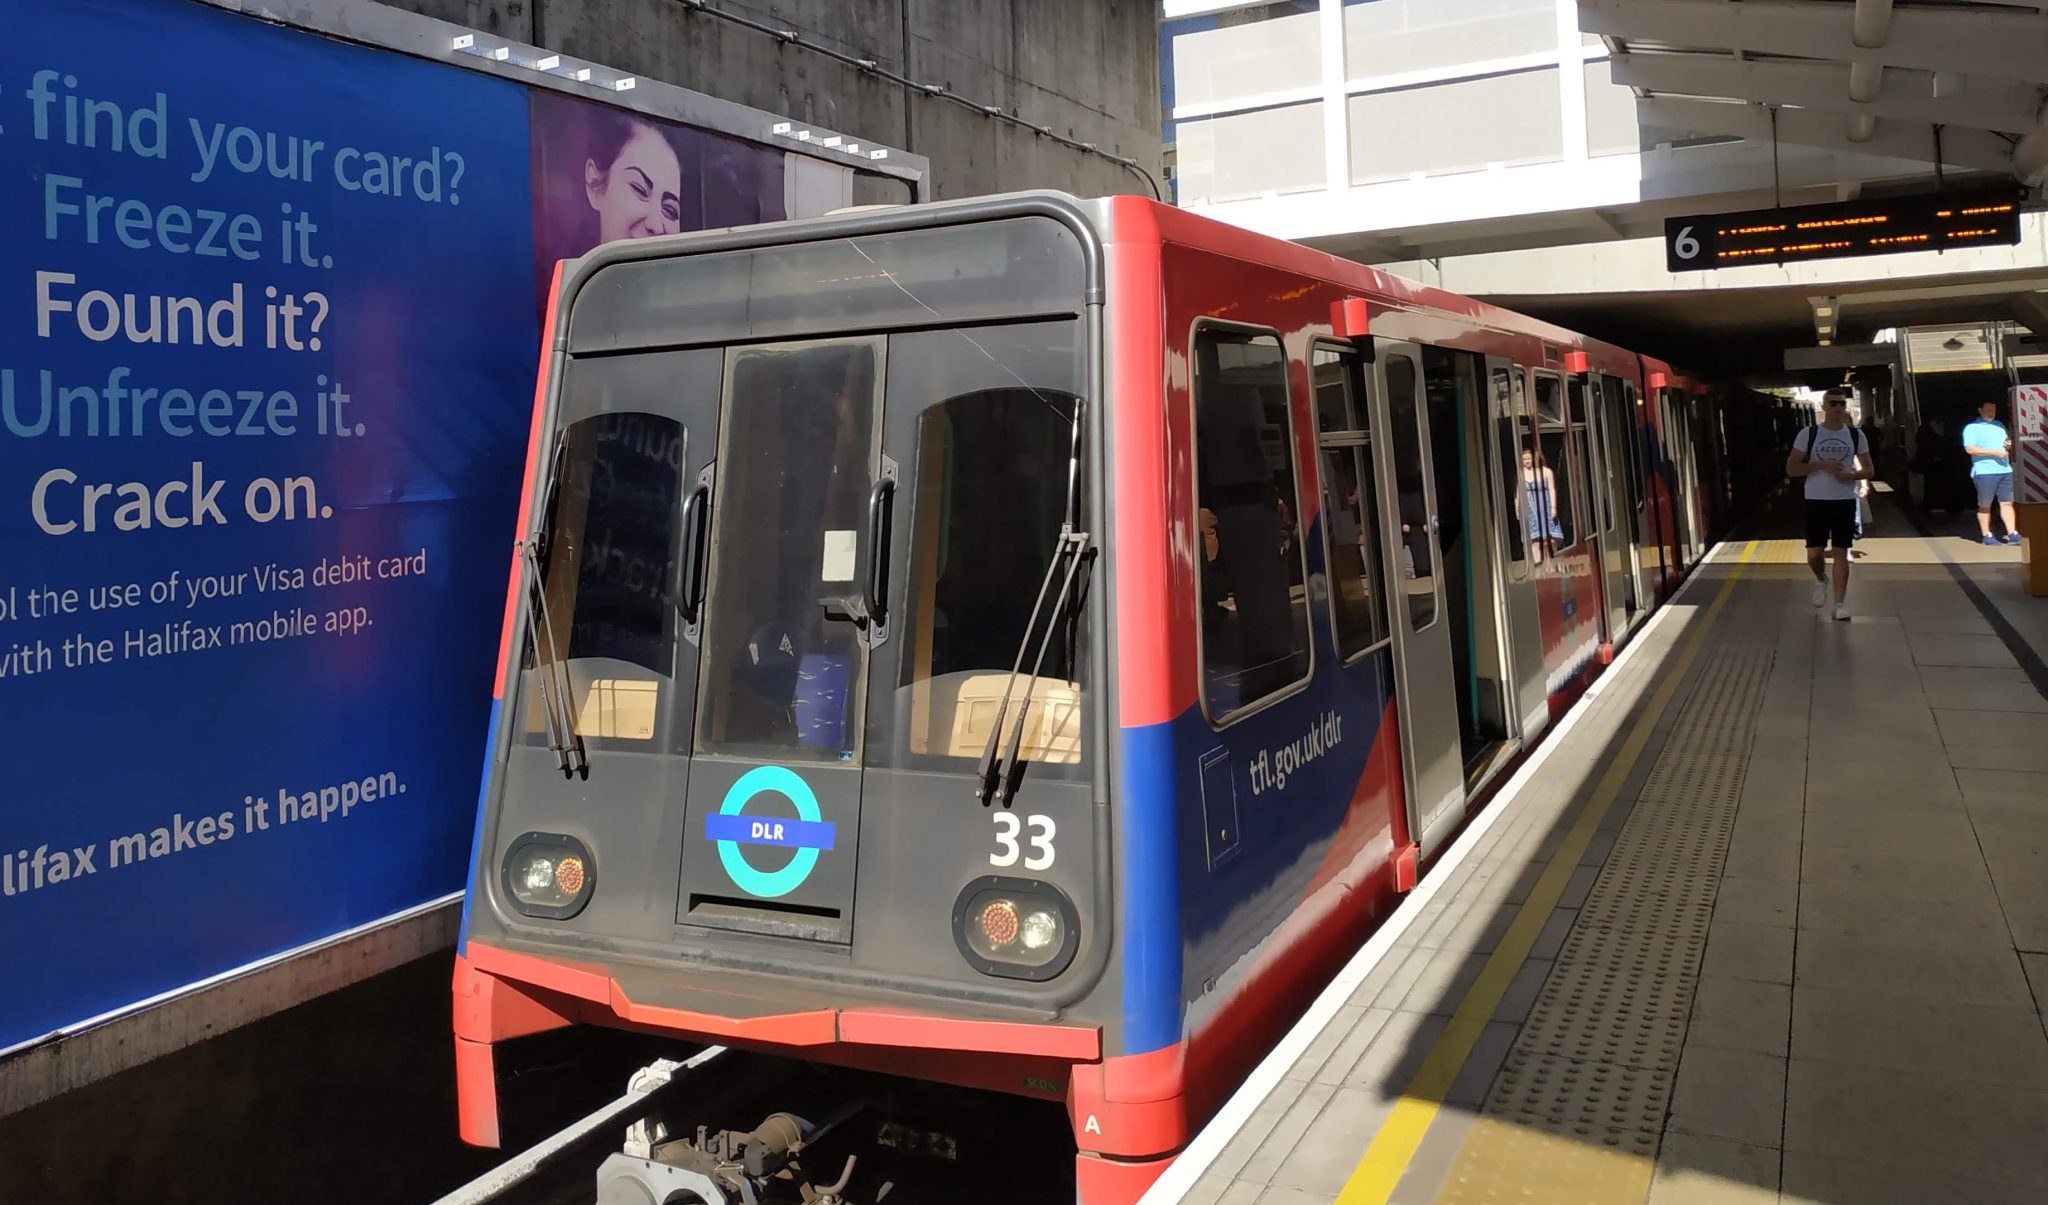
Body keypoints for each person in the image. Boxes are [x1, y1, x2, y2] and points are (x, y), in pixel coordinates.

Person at [1786, 389, 1872, 621]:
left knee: (1841, 552)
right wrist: (1820, 466)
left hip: (1844, 500)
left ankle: (1840, 604)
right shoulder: (1808, 434)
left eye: (1842, 404)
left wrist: (1852, 476)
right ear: (1824, 406)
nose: (1838, 408)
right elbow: (1791, 468)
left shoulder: (1856, 436)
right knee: (1814, 553)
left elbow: (1869, 469)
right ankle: (1821, 579)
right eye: (1833, 403)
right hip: (1816, 500)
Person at [1962, 399, 2020, 546]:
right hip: (1984, 472)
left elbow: (2005, 445)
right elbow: (1970, 449)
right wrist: (1993, 453)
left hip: (2005, 470)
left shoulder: (1999, 425)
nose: (1991, 413)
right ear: (1980, 410)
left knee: (2007, 502)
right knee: (1985, 505)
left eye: (1993, 410)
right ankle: (1987, 535)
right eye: (1988, 410)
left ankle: (2012, 533)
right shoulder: (1971, 428)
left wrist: (2008, 445)